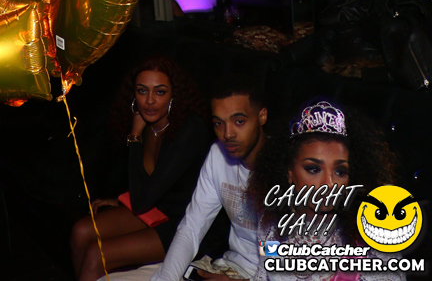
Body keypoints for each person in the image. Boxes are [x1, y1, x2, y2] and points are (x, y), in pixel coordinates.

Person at [70, 56, 212, 281]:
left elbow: (143, 199)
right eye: (142, 91)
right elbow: (145, 187)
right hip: (153, 207)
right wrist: (123, 198)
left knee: (97, 255)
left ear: (174, 94)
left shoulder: (190, 130)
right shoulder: (148, 124)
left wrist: (135, 136)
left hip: (185, 221)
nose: (150, 101)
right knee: (80, 232)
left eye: (160, 92)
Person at [247, 99, 403, 281]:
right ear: (289, 173)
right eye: (313, 169)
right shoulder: (271, 224)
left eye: (340, 171)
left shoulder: (370, 235)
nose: (329, 184)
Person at [150, 75, 268, 281]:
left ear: (262, 117)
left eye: (239, 121)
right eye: (218, 123)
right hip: (230, 267)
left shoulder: (291, 168)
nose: (227, 134)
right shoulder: (218, 155)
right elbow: (192, 227)